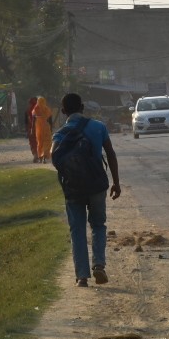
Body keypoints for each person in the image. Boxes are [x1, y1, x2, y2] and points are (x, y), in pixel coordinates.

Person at [52, 93, 121, 287]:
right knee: (98, 225)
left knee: (78, 230)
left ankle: (82, 276)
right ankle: (98, 265)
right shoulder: (98, 127)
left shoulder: (60, 133)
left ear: (63, 110)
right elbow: (111, 154)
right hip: (96, 185)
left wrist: (72, 172)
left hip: (73, 188)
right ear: (82, 107)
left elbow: (54, 157)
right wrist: (116, 182)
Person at [28, 95, 54, 163]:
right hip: (46, 127)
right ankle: (45, 157)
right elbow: (50, 120)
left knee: (40, 142)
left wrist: (32, 129)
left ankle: (40, 157)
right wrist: (51, 129)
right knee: (47, 142)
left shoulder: (35, 109)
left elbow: (33, 121)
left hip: (38, 128)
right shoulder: (47, 109)